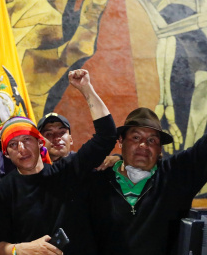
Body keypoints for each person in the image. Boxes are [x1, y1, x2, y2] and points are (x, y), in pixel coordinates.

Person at [0, 69, 117, 255]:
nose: (21, 149)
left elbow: (106, 136)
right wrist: (21, 249)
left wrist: (86, 89)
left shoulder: (68, 171)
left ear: (40, 143)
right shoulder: (3, 189)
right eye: (13, 144)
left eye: (27, 140)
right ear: (6, 154)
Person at [88, 107, 207, 255]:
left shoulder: (176, 177)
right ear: (121, 141)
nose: (143, 145)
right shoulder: (95, 179)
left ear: (159, 149)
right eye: (136, 137)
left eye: (152, 140)